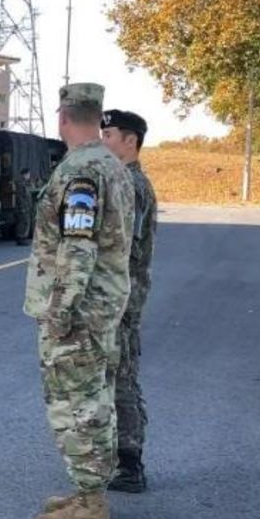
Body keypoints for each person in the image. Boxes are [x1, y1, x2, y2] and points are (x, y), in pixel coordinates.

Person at [24, 83, 135, 519]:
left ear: (63, 118)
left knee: (76, 403)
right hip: (104, 304)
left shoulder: (82, 172)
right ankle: (90, 491)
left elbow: (78, 247)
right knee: (94, 397)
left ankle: (91, 507)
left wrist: (61, 310)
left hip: (80, 310)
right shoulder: (113, 165)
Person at [100, 109, 157, 493]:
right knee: (116, 372)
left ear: (130, 141)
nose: (103, 141)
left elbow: (123, 246)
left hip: (123, 293)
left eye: (109, 135)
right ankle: (119, 458)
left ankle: (130, 463)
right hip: (117, 290)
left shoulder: (133, 186)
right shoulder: (123, 180)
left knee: (122, 375)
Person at [14, 168, 34, 246]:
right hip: (22, 207)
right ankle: (21, 238)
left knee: (25, 222)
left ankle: (22, 237)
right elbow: (20, 197)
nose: (29, 176)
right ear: (25, 174)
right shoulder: (20, 183)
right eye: (28, 174)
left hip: (26, 206)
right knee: (23, 222)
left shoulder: (24, 183)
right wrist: (22, 207)